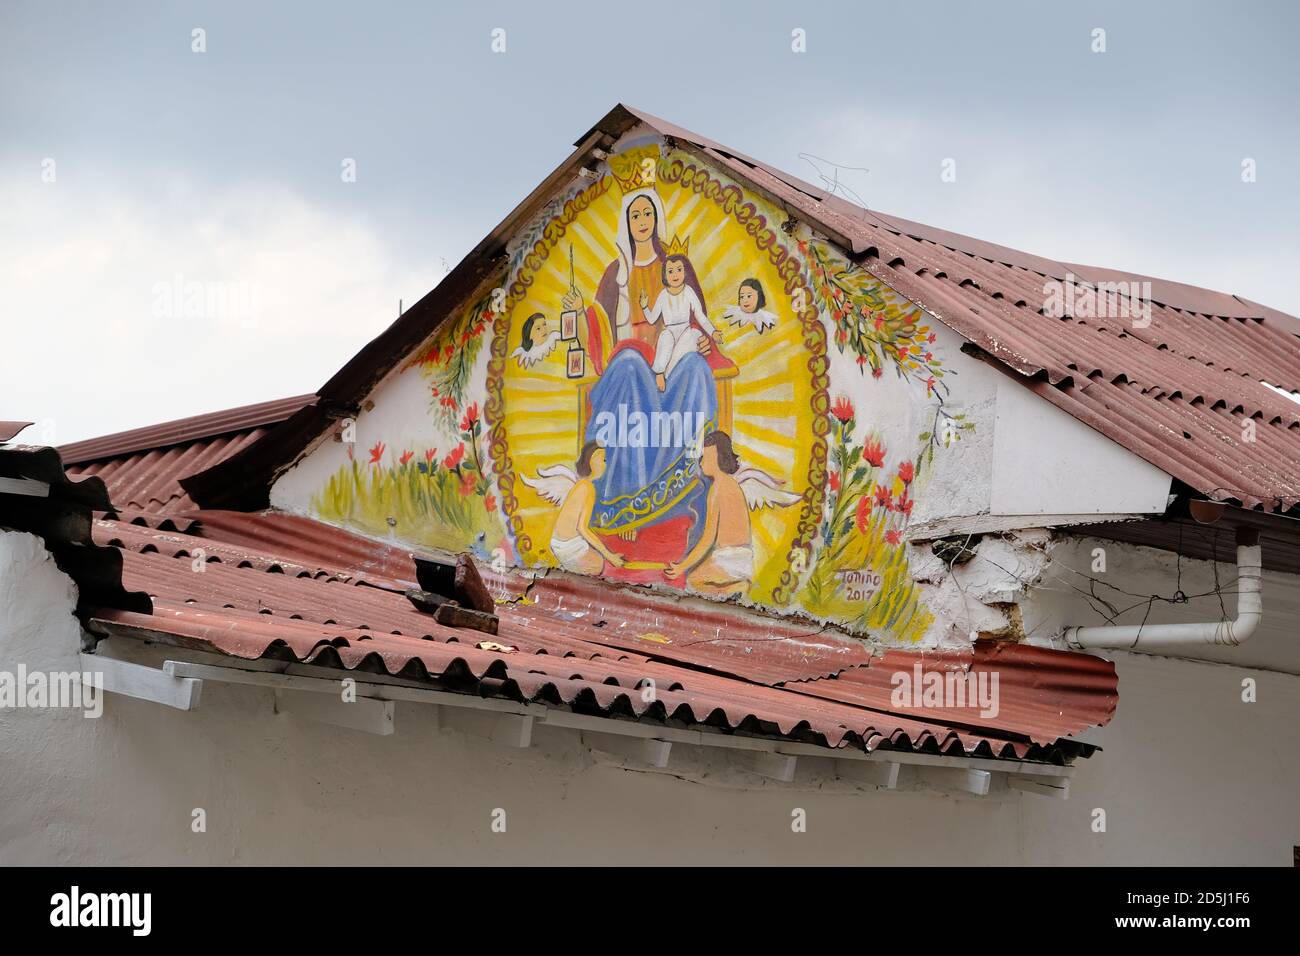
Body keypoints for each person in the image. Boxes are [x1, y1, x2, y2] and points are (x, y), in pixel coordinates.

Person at [665, 431, 753, 595]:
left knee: (693, 581)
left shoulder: (717, 488)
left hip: (728, 558)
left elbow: (708, 538)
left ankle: (737, 587)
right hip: (743, 557)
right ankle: (735, 587)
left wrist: (681, 567)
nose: (701, 461)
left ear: (719, 458)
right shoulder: (732, 484)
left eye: (706, 456)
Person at [642, 251, 721, 389]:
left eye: (679, 270)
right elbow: (652, 319)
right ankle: (660, 374)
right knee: (665, 337)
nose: (675, 275)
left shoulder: (688, 291)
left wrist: (713, 332)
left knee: (693, 335)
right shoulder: (663, 295)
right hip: (670, 331)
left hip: (686, 331)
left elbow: (700, 316)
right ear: (665, 275)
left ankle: (671, 378)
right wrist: (644, 307)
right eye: (670, 271)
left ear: (685, 273)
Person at [549, 442, 625, 574]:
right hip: (568, 545)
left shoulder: (582, 485)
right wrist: (610, 556)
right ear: (591, 461)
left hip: (558, 543)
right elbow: (582, 528)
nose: (605, 464)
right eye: (602, 459)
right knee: (599, 565)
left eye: (605, 460)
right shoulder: (587, 487)